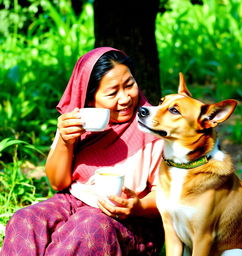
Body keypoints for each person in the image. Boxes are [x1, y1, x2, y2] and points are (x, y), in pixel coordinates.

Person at [0, 47, 164, 256]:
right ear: (89, 100)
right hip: (72, 202)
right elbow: (57, 183)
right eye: (113, 93)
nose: (125, 98)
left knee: (90, 226)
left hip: (129, 221)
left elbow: (168, 195)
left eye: (129, 85)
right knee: (27, 219)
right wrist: (65, 141)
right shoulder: (77, 123)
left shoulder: (153, 129)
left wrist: (138, 206)